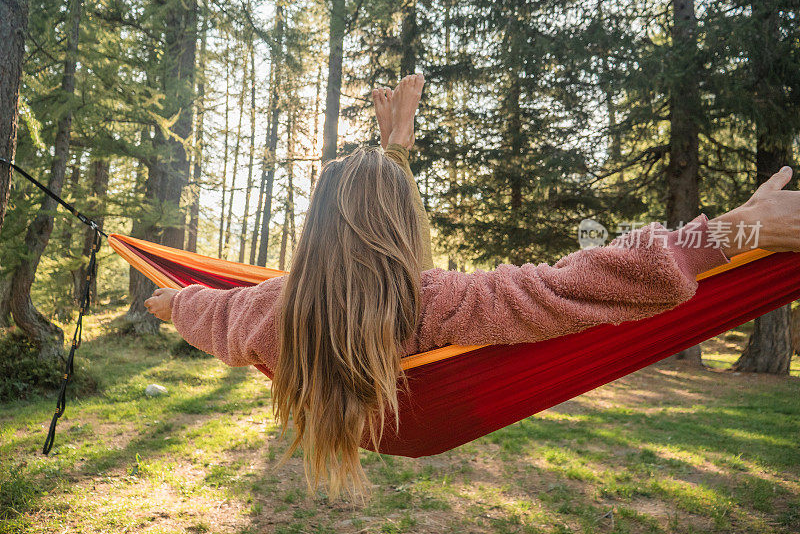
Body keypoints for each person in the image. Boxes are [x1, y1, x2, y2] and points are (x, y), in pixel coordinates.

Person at [144, 73, 800, 498]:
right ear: (407, 223)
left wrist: (173, 301)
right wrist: (732, 232)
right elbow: (578, 283)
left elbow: (211, 311)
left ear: (313, 229)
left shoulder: (269, 309)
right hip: (424, 420)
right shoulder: (443, 302)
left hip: (363, 424)